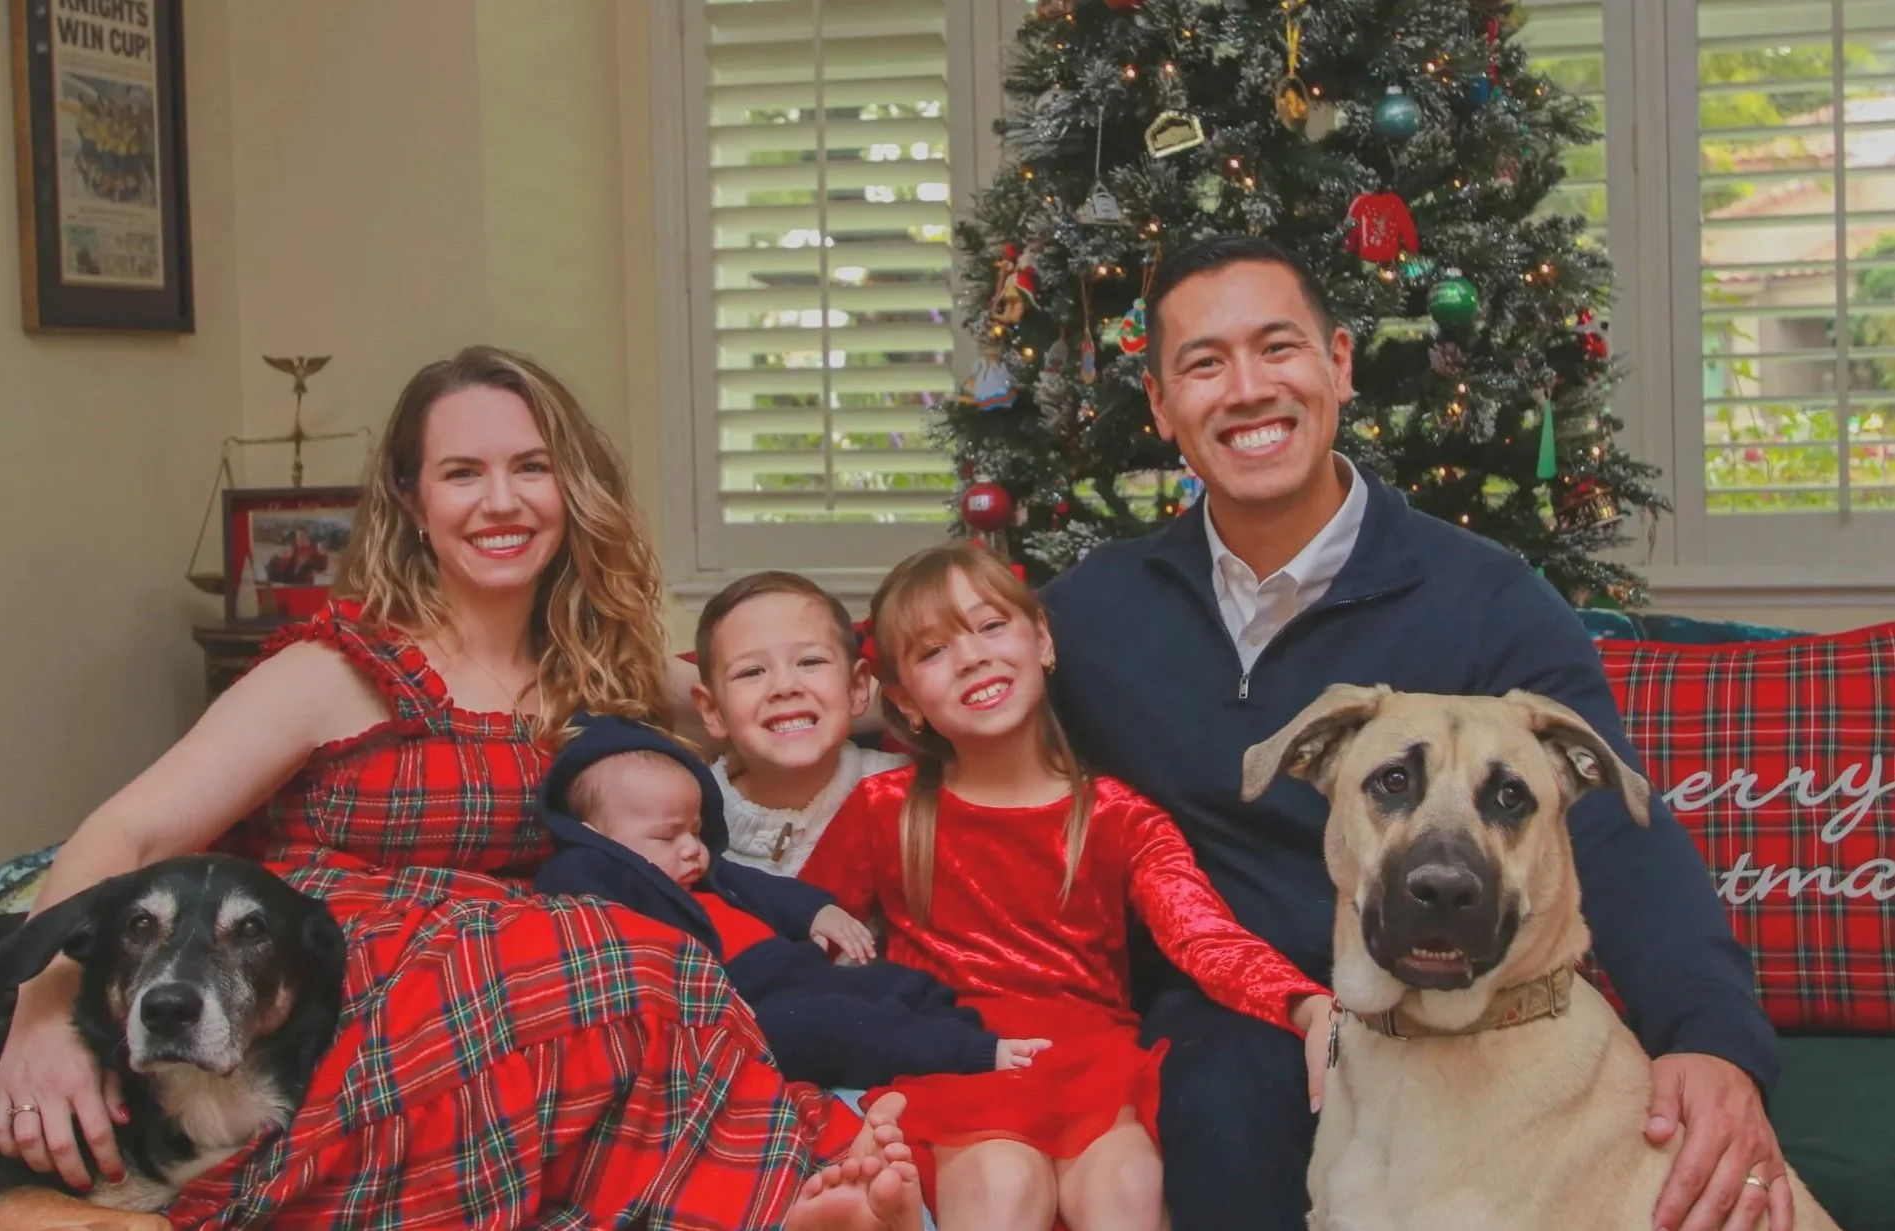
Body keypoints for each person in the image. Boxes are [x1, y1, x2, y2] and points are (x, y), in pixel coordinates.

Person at [0, 345, 924, 1231]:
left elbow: (780, 692)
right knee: (624, 958)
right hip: (357, 991)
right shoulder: (334, 668)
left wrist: (950, 681)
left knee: (655, 965)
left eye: (531, 467)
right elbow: (129, 832)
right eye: (463, 472)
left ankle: (774, 1196)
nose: (501, 501)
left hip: (536, 1000)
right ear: (412, 496)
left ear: (570, 486)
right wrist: (43, 1017)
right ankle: (773, 1201)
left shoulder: (601, 666)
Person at [1037, 235, 1792, 1231]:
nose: (1249, 389)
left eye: (1277, 347)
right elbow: (935, 711)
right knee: (1217, 1085)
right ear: (1160, 404)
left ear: (1339, 364)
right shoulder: (1092, 614)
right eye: (1204, 364)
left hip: (1449, 1011)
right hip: (1239, 1023)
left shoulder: (1485, 598)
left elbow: (1608, 828)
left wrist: (1710, 1036)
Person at [802, 541, 1334, 1231]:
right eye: (933, 651)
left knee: (1126, 1188)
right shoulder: (885, 810)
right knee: (1004, 1183)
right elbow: (799, 941)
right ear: (905, 701)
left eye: (991, 626)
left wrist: (1304, 1004)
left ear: (1043, 640)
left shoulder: (1117, 814)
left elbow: (1201, 932)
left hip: (1095, 1071)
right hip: (957, 1063)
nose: (971, 657)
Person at [534, 713, 1051, 1091]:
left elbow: (766, 888)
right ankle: (969, 1054)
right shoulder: (589, 874)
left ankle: (955, 1030)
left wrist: (817, 912)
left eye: (695, 828)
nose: (692, 847)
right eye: (668, 836)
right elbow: (584, 922)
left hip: (796, 969)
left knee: (896, 983)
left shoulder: (704, 873)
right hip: (744, 1008)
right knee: (830, 1026)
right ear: (595, 838)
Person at [690, 571, 907, 876]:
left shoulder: (911, 792)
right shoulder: (684, 818)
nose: (785, 686)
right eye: (752, 672)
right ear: (712, 710)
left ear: (857, 687)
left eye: (810, 662)